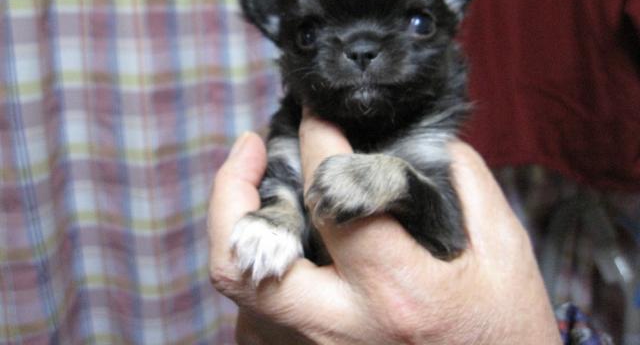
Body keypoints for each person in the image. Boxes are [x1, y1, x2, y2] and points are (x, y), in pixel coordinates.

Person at [208, 113, 563, 344]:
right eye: (309, 34)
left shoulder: (436, 135)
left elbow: (447, 237)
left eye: (418, 25)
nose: (362, 50)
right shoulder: (292, 131)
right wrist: (280, 215)